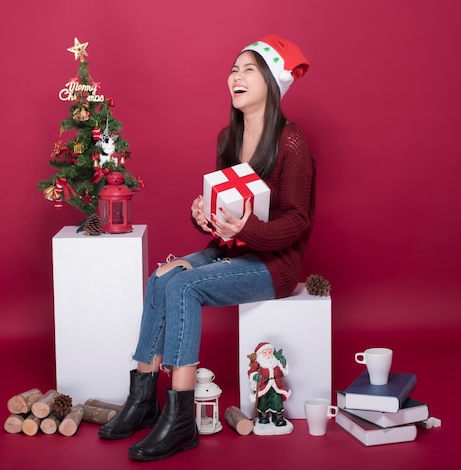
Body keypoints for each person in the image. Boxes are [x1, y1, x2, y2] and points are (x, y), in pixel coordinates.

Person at [98, 34, 316, 462]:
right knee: (162, 277)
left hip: (276, 265)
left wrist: (245, 228)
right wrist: (204, 216)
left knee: (185, 287)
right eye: (233, 69)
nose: (235, 76)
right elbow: (226, 220)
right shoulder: (227, 139)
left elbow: (296, 222)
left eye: (248, 69)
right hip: (235, 251)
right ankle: (143, 401)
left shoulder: (291, 141)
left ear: (271, 82)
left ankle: (181, 420)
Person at [248, 342, 291, 427]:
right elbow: (251, 372)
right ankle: (263, 416)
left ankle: (278, 417)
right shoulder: (258, 363)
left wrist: (283, 364)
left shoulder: (276, 363)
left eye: (270, 352)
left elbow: (283, 373)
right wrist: (254, 376)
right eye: (265, 352)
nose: (268, 354)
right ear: (260, 354)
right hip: (264, 386)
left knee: (277, 399)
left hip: (276, 386)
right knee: (263, 400)